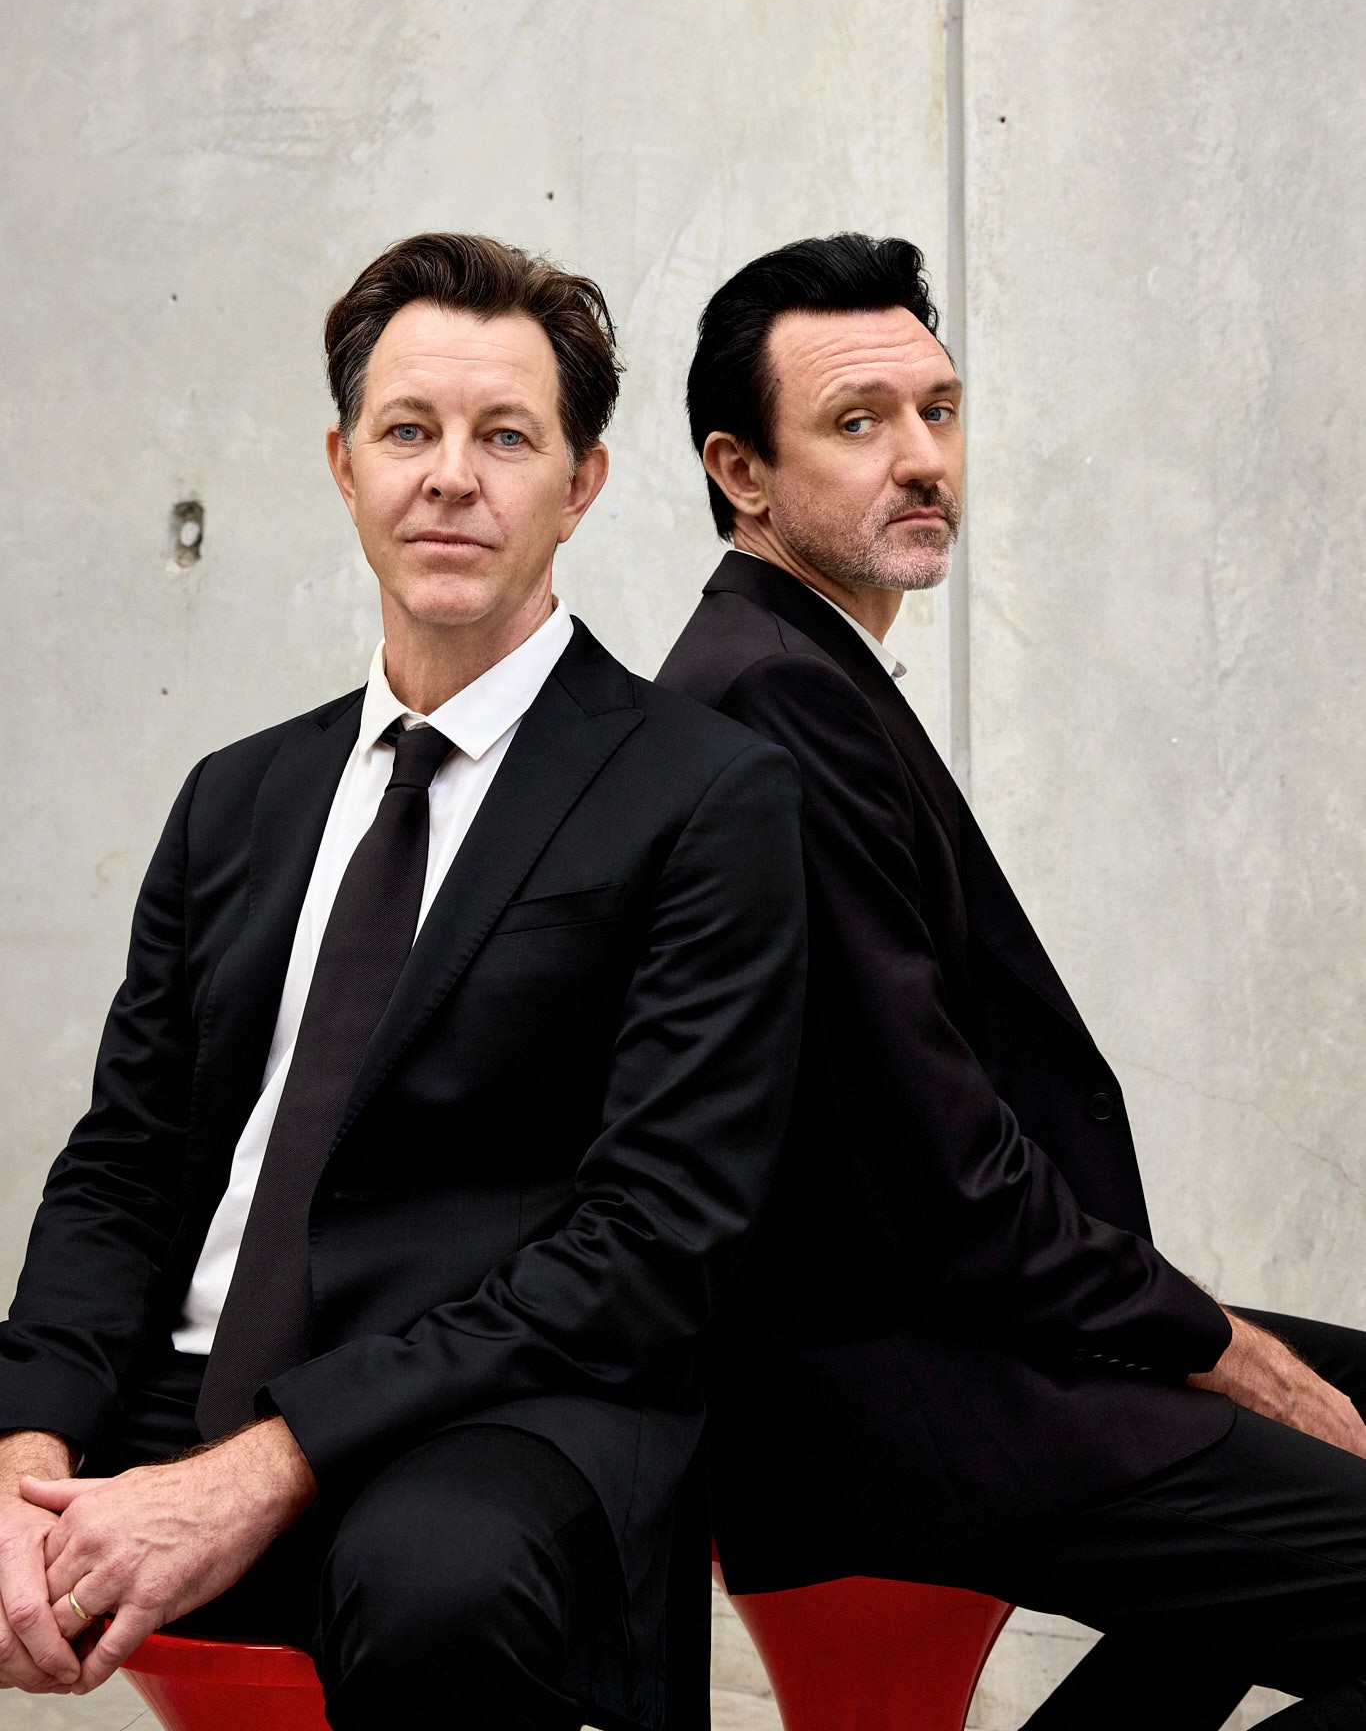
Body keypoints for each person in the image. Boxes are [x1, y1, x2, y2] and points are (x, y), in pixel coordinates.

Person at [0, 231, 805, 1731]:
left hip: (495, 1401)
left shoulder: (706, 794)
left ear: (581, 485)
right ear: (343, 464)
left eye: (505, 437)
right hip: (194, 1377)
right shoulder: (236, 798)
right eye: (408, 431)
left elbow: (651, 1238)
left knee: (436, 1587)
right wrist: (25, 1445)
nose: (450, 477)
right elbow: (122, 1166)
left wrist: (269, 1462)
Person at [658, 231, 1366, 1731]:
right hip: (895, 1400)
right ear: (742, 472)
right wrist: (1209, 1344)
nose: (921, 458)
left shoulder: (789, 662)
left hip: (950, 1343)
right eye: (858, 423)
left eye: (939, 409)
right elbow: (940, 1170)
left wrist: (1191, 1337)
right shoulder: (774, 700)